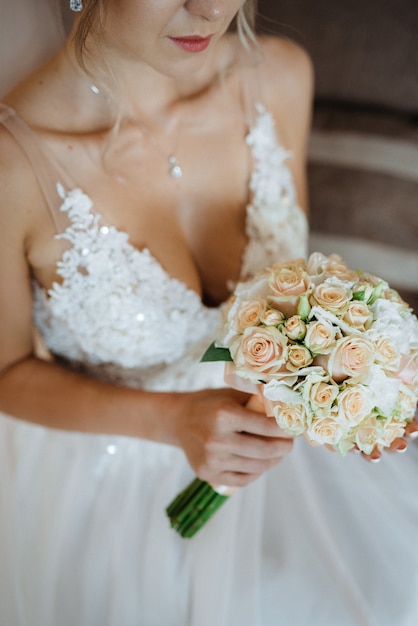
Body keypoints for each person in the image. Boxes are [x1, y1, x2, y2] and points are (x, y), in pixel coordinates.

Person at [0, 1, 417, 625]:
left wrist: (355, 384)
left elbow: (293, 290)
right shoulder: (11, 167)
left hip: (284, 459)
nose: (211, 8)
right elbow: (6, 375)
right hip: (114, 476)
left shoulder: (277, 75)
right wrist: (173, 421)